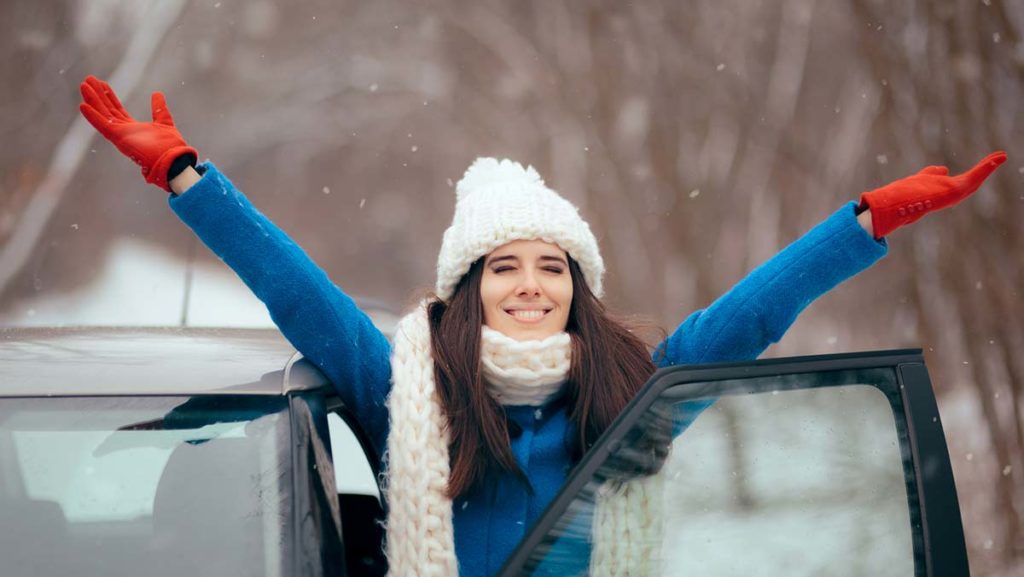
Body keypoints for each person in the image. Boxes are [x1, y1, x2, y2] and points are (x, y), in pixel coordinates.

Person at [78, 75, 1005, 576]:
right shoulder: (406, 387)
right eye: (505, 267)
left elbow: (749, 318)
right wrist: (193, 180)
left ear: (577, 285)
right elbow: (300, 292)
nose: (530, 286)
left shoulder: (632, 393)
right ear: (469, 286)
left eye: (551, 266)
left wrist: (865, 222)